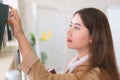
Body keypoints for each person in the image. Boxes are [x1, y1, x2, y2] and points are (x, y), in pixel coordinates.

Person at [7, 6, 120, 80]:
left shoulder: (95, 75)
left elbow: (43, 78)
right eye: (70, 25)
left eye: (77, 27)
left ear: (93, 37)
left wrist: (19, 34)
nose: (68, 32)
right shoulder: (75, 62)